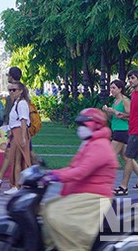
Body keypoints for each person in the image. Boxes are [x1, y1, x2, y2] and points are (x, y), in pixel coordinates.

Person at [39, 108, 118, 251]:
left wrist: (57, 177)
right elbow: (73, 167)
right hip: (82, 192)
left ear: (96, 125)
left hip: (94, 196)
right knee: (47, 207)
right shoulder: (90, 143)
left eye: (84, 125)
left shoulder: (100, 146)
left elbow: (81, 171)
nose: (80, 129)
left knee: (55, 214)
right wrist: (50, 173)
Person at [102, 79, 138, 188]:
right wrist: (107, 111)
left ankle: (104, 182)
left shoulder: (125, 100)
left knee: (109, 156)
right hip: (117, 130)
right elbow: (112, 118)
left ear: (120, 89)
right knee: (127, 157)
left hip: (123, 131)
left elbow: (132, 116)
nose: (111, 90)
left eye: (114, 88)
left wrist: (113, 111)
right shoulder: (115, 101)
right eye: (111, 88)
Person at [2, 80, 32, 194]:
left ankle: (17, 186)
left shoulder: (22, 103)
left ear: (20, 91)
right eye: (9, 90)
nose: (11, 92)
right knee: (15, 159)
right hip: (15, 132)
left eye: (14, 90)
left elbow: (23, 121)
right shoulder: (17, 103)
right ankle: (16, 185)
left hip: (19, 133)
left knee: (17, 159)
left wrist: (23, 137)